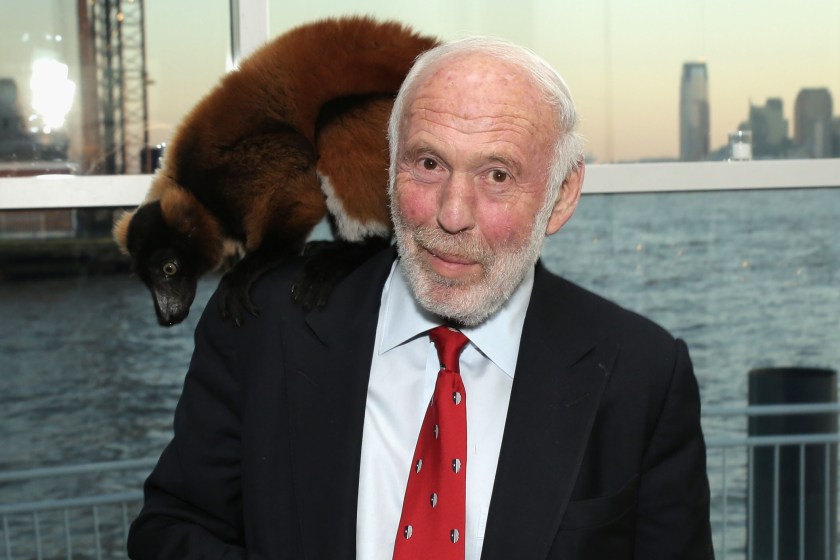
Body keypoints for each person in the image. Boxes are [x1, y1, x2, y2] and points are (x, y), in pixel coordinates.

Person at [128, 36, 713, 559]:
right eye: (428, 164)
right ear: (389, 170)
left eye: (497, 176)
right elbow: (174, 528)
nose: (452, 215)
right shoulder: (258, 328)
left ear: (562, 196)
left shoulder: (641, 376)